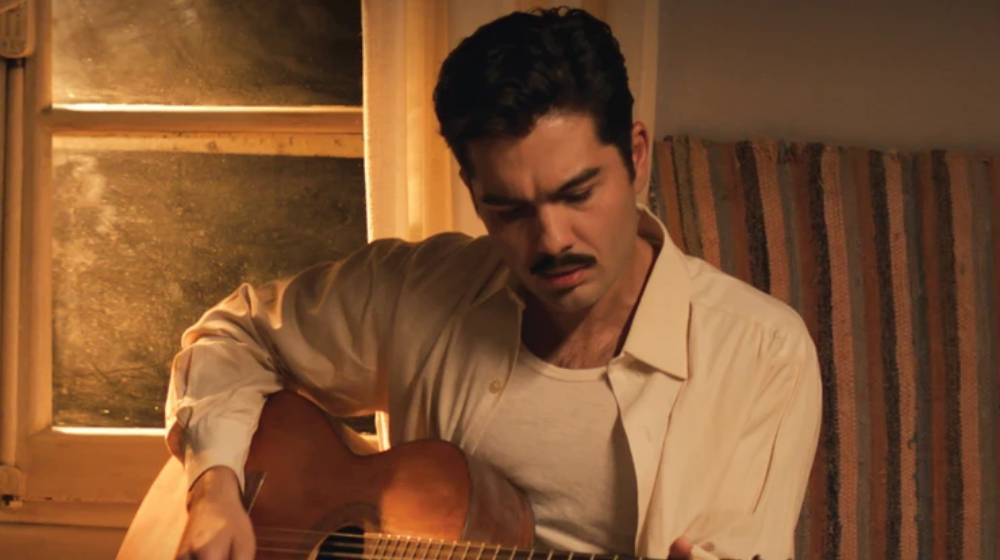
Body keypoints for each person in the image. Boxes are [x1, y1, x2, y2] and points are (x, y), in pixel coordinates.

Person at [168, 8, 821, 560]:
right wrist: (215, 486)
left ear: (637, 154)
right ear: (474, 193)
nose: (552, 240)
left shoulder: (762, 354)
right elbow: (234, 334)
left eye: (578, 193)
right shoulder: (421, 287)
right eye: (510, 209)